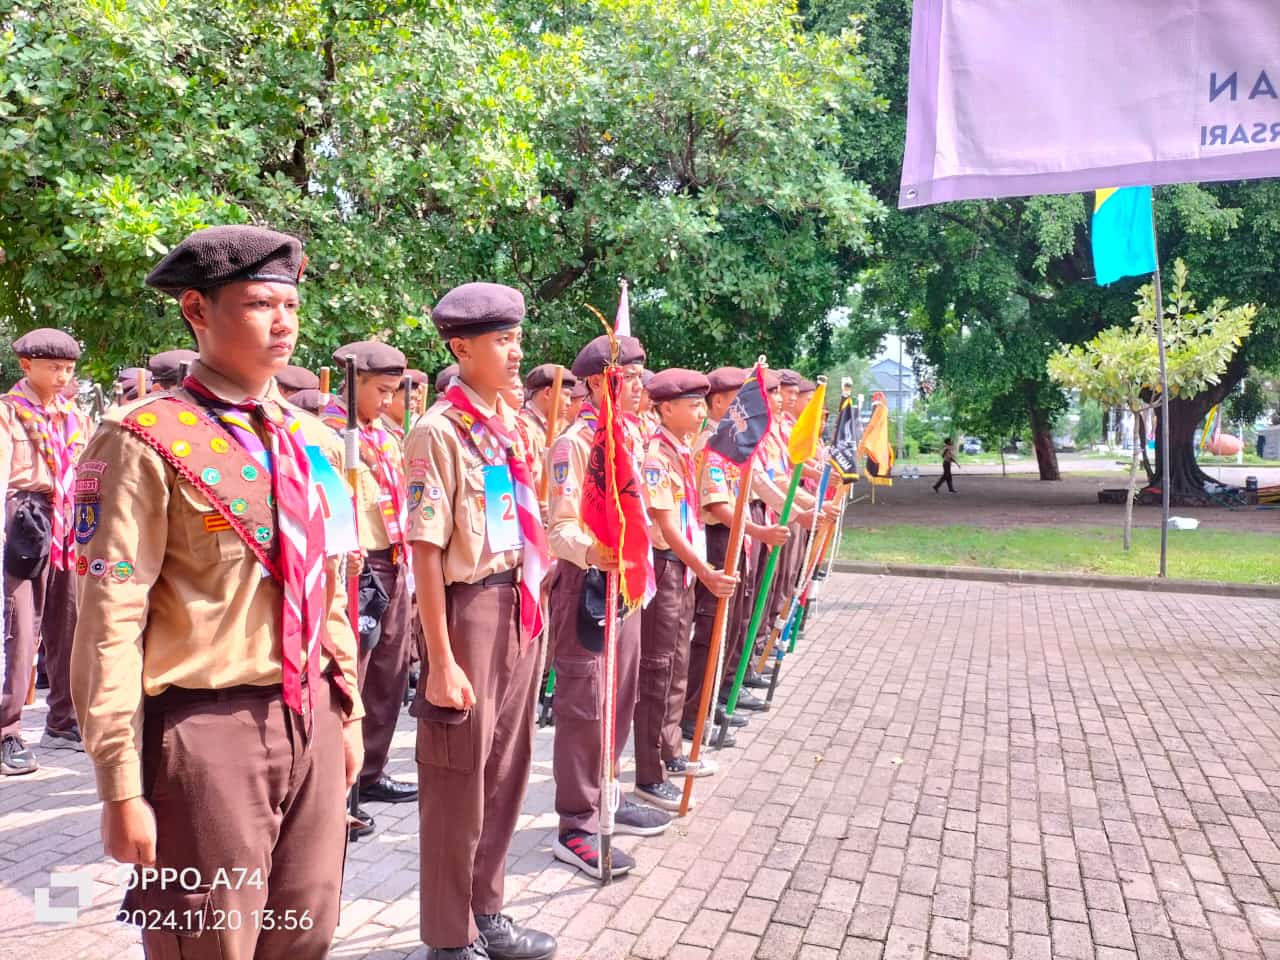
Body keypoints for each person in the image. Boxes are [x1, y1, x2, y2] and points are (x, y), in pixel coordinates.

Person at [71, 224, 365, 958]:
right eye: (261, 303)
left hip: (311, 716)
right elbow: (109, 619)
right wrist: (119, 783)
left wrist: (348, 709)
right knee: (210, 941)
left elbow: (328, 587)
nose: (284, 322)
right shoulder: (142, 440)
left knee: (307, 931)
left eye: (291, 305)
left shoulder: (314, 443)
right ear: (196, 311)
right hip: (208, 735)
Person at [406, 281, 555, 960]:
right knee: (458, 777)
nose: (515, 349)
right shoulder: (438, 432)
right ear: (460, 348)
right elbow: (426, 553)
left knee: (507, 768)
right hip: (470, 614)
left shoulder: (515, 426)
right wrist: (440, 659)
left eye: (517, 336)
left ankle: (487, 908)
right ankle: (448, 934)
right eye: (501, 339)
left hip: (522, 605)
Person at [545, 334, 671, 880]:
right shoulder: (576, 444)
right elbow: (561, 526)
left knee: (619, 695)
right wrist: (597, 551)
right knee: (585, 705)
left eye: (643, 376)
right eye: (632, 377)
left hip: (627, 585)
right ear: (600, 382)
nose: (641, 387)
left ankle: (607, 798)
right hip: (589, 584)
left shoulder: (627, 438)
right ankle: (576, 825)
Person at [633, 369, 737, 810]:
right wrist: (706, 568)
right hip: (667, 566)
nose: (700, 411)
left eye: (702, 403)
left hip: (685, 568)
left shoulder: (683, 450)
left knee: (676, 663)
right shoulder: (657, 455)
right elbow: (666, 526)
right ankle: (649, 770)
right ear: (666, 408)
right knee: (659, 668)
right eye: (692, 405)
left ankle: (671, 749)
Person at [322, 342, 418, 811]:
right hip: (354, 566)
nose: (386, 400)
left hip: (394, 559)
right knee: (351, 674)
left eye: (392, 391)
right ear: (353, 381)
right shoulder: (328, 433)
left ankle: (372, 771)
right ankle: (341, 788)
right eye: (380, 390)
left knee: (389, 674)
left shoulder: (384, 434)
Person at [682, 366, 789, 746]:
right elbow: (720, 506)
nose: (746, 411)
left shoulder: (737, 442)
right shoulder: (712, 445)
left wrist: (798, 511)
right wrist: (760, 531)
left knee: (734, 624)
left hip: (737, 539)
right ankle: (693, 717)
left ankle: (714, 703)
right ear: (720, 403)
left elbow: (760, 482)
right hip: (717, 540)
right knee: (711, 631)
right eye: (738, 402)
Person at [1, 329, 86, 774]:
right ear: (26, 366)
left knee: (67, 622)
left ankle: (63, 721)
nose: (61, 376)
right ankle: (7, 731)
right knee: (20, 628)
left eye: (68, 369)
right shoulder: (8, 414)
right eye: (53, 367)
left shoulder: (73, 416)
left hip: (67, 522)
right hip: (23, 518)